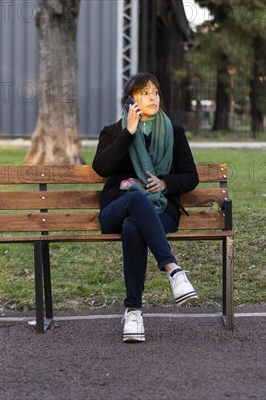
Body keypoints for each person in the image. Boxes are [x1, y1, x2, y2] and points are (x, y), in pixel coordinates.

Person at [92, 72, 199, 342]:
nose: (152, 97)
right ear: (130, 101)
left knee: (133, 227)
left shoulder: (173, 133)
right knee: (136, 199)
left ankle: (133, 312)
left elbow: (190, 176)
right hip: (115, 210)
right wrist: (128, 133)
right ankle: (173, 270)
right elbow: (101, 168)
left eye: (155, 92)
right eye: (144, 93)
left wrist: (165, 183)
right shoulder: (114, 132)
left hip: (162, 212)